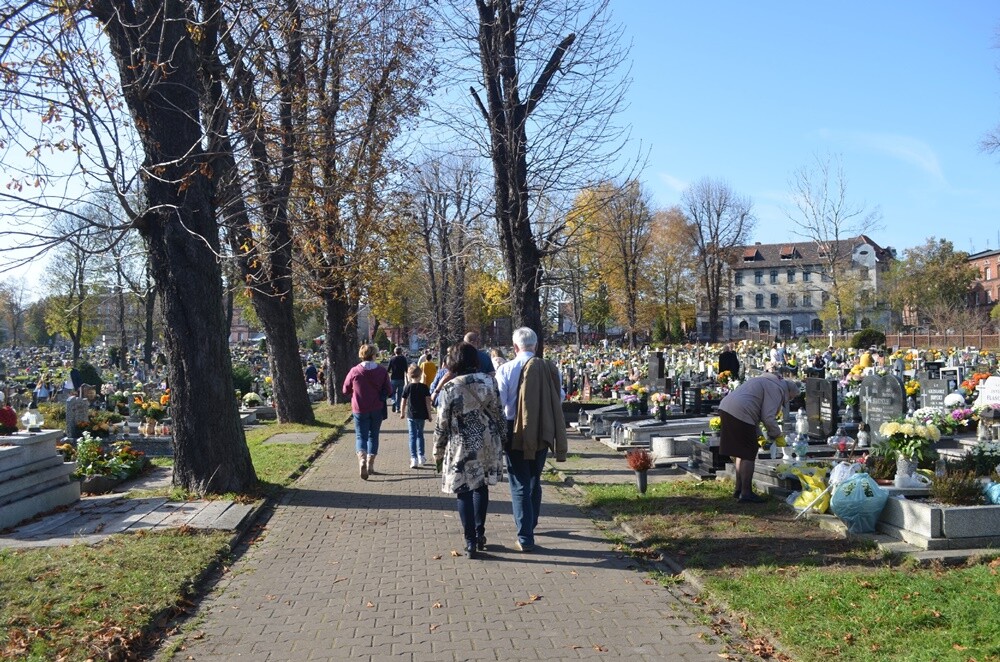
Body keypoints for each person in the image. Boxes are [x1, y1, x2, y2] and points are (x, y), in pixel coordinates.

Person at [495, 327, 567, 552]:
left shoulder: (506, 369)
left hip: (514, 430)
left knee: (519, 482)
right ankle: (531, 522)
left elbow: (501, 403)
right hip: (543, 428)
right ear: (535, 346)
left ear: (515, 347)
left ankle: (525, 536)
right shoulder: (549, 368)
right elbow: (560, 396)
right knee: (535, 476)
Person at [432, 342, 506, 560]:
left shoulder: (450, 387)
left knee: (463, 490)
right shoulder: (489, 381)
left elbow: (442, 423)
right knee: (481, 488)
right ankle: (480, 532)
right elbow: (499, 413)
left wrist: (438, 450)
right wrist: (504, 439)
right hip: (486, 442)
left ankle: (470, 540)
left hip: (461, 444)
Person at [718, 372, 800, 503]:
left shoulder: (766, 381)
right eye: (791, 398)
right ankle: (746, 493)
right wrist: (777, 435)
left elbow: (755, 414)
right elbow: (768, 417)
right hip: (740, 411)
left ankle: (739, 489)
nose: (789, 401)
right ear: (788, 391)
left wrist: (760, 436)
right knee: (749, 453)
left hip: (727, 407)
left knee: (741, 452)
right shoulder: (777, 389)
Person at [342, 344, 392, 480]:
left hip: (359, 408)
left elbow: (345, 390)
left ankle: (362, 459)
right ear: (374, 355)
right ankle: (370, 463)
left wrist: (355, 392)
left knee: (360, 436)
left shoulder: (354, 371)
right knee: (373, 436)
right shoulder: (381, 371)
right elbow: (389, 389)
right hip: (376, 407)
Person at [400, 365, 432, 468]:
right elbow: (428, 402)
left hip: (411, 415)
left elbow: (403, 401)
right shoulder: (424, 387)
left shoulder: (407, 387)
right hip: (421, 415)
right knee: (420, 435)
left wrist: (402, 412)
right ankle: (421, 456)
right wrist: (430, 415)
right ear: (421, 374)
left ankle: (413, 458)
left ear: (409, 375)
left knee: (412, 436)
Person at [387, 347, 409, 413]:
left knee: (392, 392)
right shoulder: (403, 359)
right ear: (401, 352)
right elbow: (406, 369)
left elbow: (388, 369)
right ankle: (398, 408)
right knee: (400, 394)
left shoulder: (392, 359)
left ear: (394, 352)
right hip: (401, 378)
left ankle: (393, 401)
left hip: (393, 378)